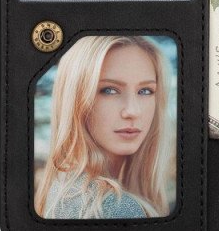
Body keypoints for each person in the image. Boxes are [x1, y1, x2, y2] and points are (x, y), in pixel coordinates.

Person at [34, 35, 172, 219]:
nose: (132, 111)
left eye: (145, 91)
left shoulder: (62, 190)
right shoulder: (114, 207)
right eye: (109, 90)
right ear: (76, 100)